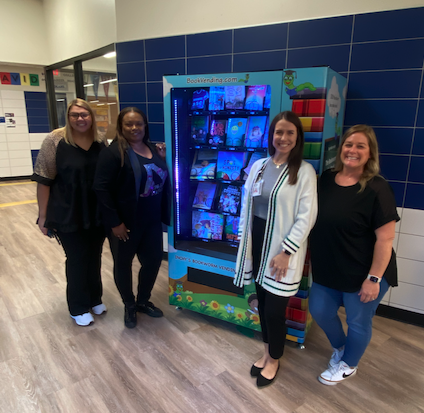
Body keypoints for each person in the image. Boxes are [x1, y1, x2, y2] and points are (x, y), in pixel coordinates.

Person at [309, 124, 400, 386]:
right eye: (349, 144)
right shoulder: (326, 179)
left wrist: (373, 279)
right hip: (330, 268)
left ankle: (349, 364)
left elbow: (385, 239)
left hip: (364, 272)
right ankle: (341, 348)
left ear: (370, 153)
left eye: (361, 146)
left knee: (358, 321)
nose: (352, 150)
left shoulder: (377, 189)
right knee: (320, 310)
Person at [234, 111, 318, 388]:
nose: (283, 138)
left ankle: (274, 359)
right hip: (256, 242)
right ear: (271, 136)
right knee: (261, 303)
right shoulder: (259, 165)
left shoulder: (304, 171)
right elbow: (249, 204)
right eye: (278, 132)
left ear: (297, 138)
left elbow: (307, 217)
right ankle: (267, 350)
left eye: (289, 133)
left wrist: (287, 252)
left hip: (281, 250)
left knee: (274, 310)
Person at [32, 98, 107, 326]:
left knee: (94, 257)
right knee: (76, 258)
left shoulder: (100, 140)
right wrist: (43, 216)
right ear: (68, 117)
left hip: (95, 212)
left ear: (91, 117)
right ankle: (78, 306)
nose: (80, 119)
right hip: (67, 211)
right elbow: (44, 181)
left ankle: (95, 298)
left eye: (84, 114)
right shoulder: (55, 140)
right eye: (75, 115)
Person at [94, 107, 170, 329]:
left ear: (145, 125)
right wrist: (115, 223)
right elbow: (101, 189)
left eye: (139, 123)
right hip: (125, 223)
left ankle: (143, 300)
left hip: (152, 221)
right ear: (121, 127)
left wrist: (162, 158)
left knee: (154, 260)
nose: (135, 128)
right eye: (129, 124)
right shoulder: (113, 153)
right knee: (124, 263)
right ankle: (129, 304)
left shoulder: (154, 149)